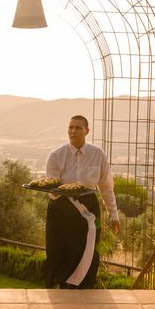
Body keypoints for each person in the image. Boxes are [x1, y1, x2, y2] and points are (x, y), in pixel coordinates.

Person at [44, 115, 120, 289]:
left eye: (78, 128)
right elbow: (51, 190)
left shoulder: (98, 155)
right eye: (71, 127)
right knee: (59, 251)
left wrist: (114, 214)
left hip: (89, 211)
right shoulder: (55, 156)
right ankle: (59, 287)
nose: (73, 131)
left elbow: (106, 187)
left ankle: (84, 288)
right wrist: (60, 192)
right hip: (61, 210)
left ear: (87, 131)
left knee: (88, 251)